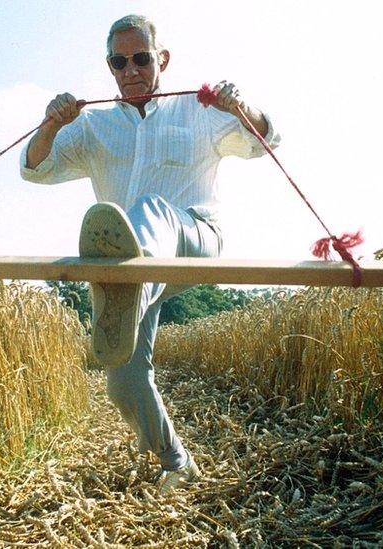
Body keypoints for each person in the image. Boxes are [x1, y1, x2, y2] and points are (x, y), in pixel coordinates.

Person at [20, 14, 280, 494]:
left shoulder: (196, 110)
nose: (131, 70)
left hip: (194, 241)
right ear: (110, 67)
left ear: (161, 59)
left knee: (151, 209)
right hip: (131, 270)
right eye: (120, 62)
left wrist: (241, 107)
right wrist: (51, 125)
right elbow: (35, 168)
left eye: (141, 58)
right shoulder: (93, 125)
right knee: (122, 382)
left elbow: (265, 140)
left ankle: (122, 296)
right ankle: (176, 460)